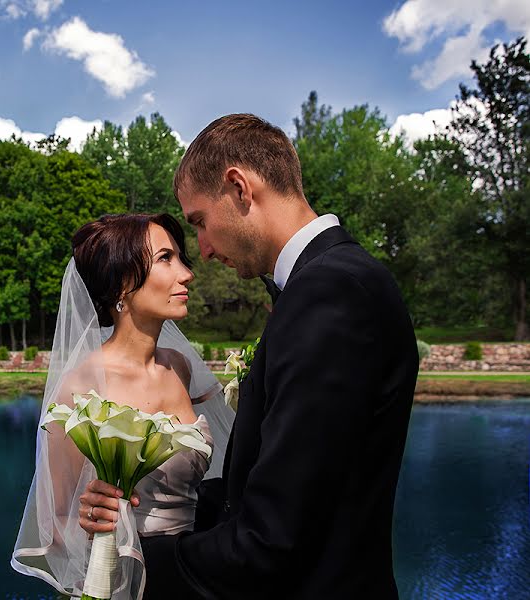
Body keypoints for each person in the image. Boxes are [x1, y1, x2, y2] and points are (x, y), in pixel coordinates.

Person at [79, 114, 419, 599]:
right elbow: (268, 488)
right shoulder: (331, 282)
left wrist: (130, 562)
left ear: (240, 189)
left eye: (199, 223)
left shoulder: (330, 292)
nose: (203, 251)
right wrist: (132, 514)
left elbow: (273, 538)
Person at [11, 213, 236, 599]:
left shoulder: (178, 366)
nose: (187, 273)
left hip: (194, 573)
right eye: (166, 259)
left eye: (181, 258)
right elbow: (54, 522)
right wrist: (89, 518)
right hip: (129, 584)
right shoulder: (81, 386)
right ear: (122, 283)